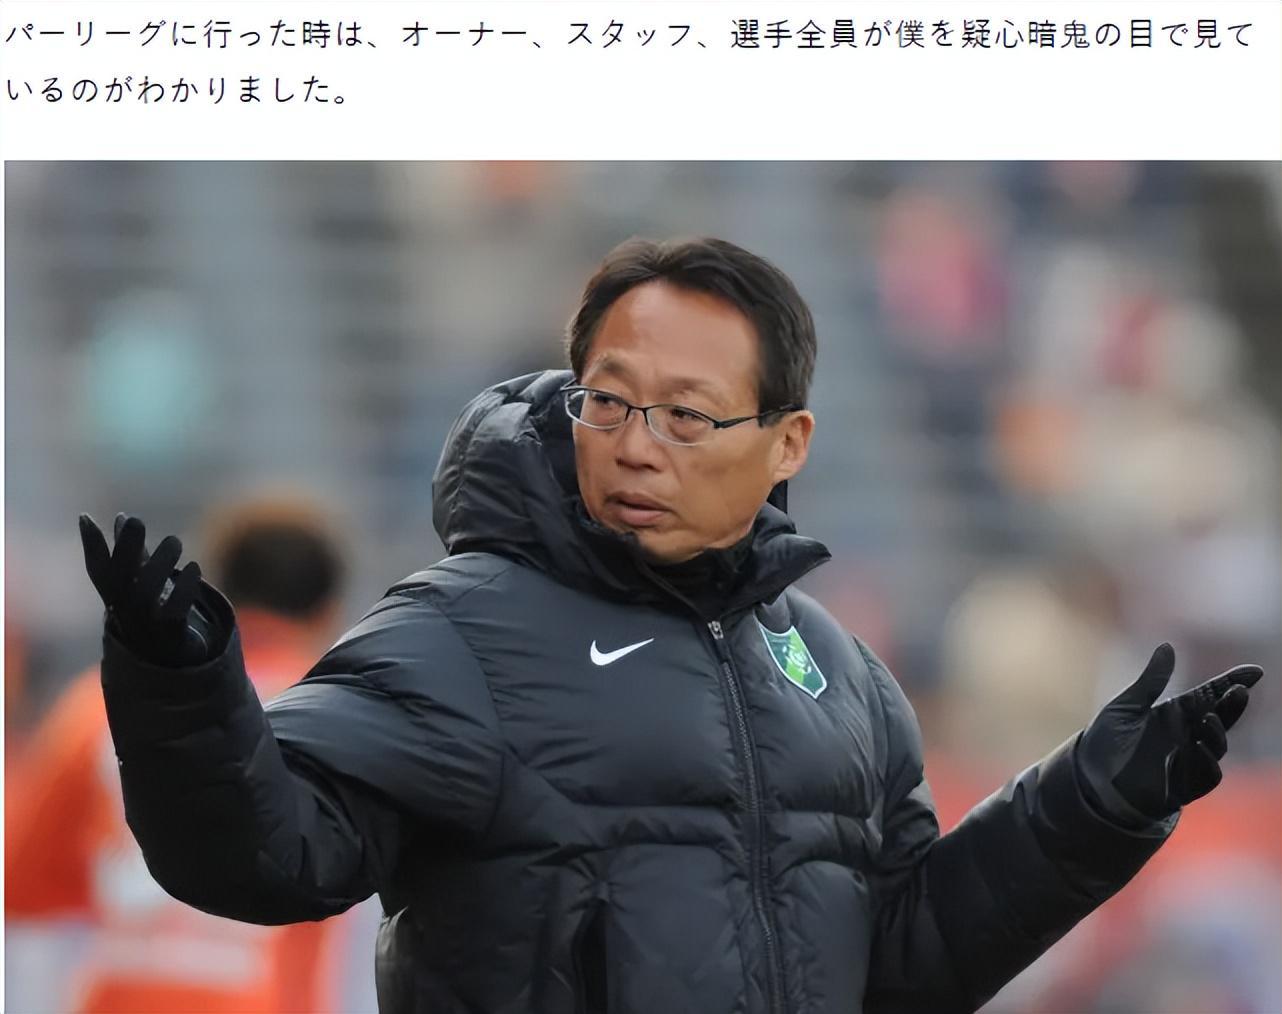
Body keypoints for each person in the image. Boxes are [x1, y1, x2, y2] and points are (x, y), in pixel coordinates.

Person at [77, 237, 1264, 1014]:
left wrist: (1088, 807)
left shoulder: (843, 678)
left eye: (687, 416)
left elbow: (899, 971)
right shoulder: (455, 633)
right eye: (608, 402)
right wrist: (181, 685)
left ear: (786, 444)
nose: (637, 445)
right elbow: (261, 857)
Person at [12, 494, 353, 1014]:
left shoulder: (95, 707)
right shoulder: (339, 712)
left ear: (215, 589)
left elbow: (22, 881)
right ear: (327, 610)